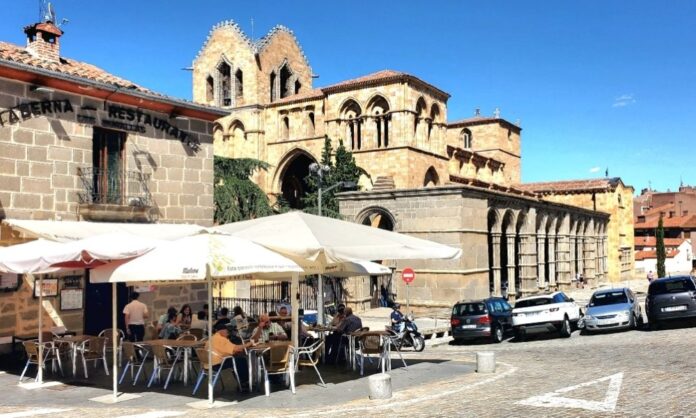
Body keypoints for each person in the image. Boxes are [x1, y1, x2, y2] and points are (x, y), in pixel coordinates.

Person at [206, 322, 253, 389]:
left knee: (236, 360)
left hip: (207, 363)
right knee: (241, 360)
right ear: (222, 331)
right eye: (226, 331)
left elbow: (229, 349)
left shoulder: (212, 338)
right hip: (216, 364)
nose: (228, 333)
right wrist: (249, 344)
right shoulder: (221, 339)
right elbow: (236, 349)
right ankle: (244, 383)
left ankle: (241, 382)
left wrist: (237, 349)